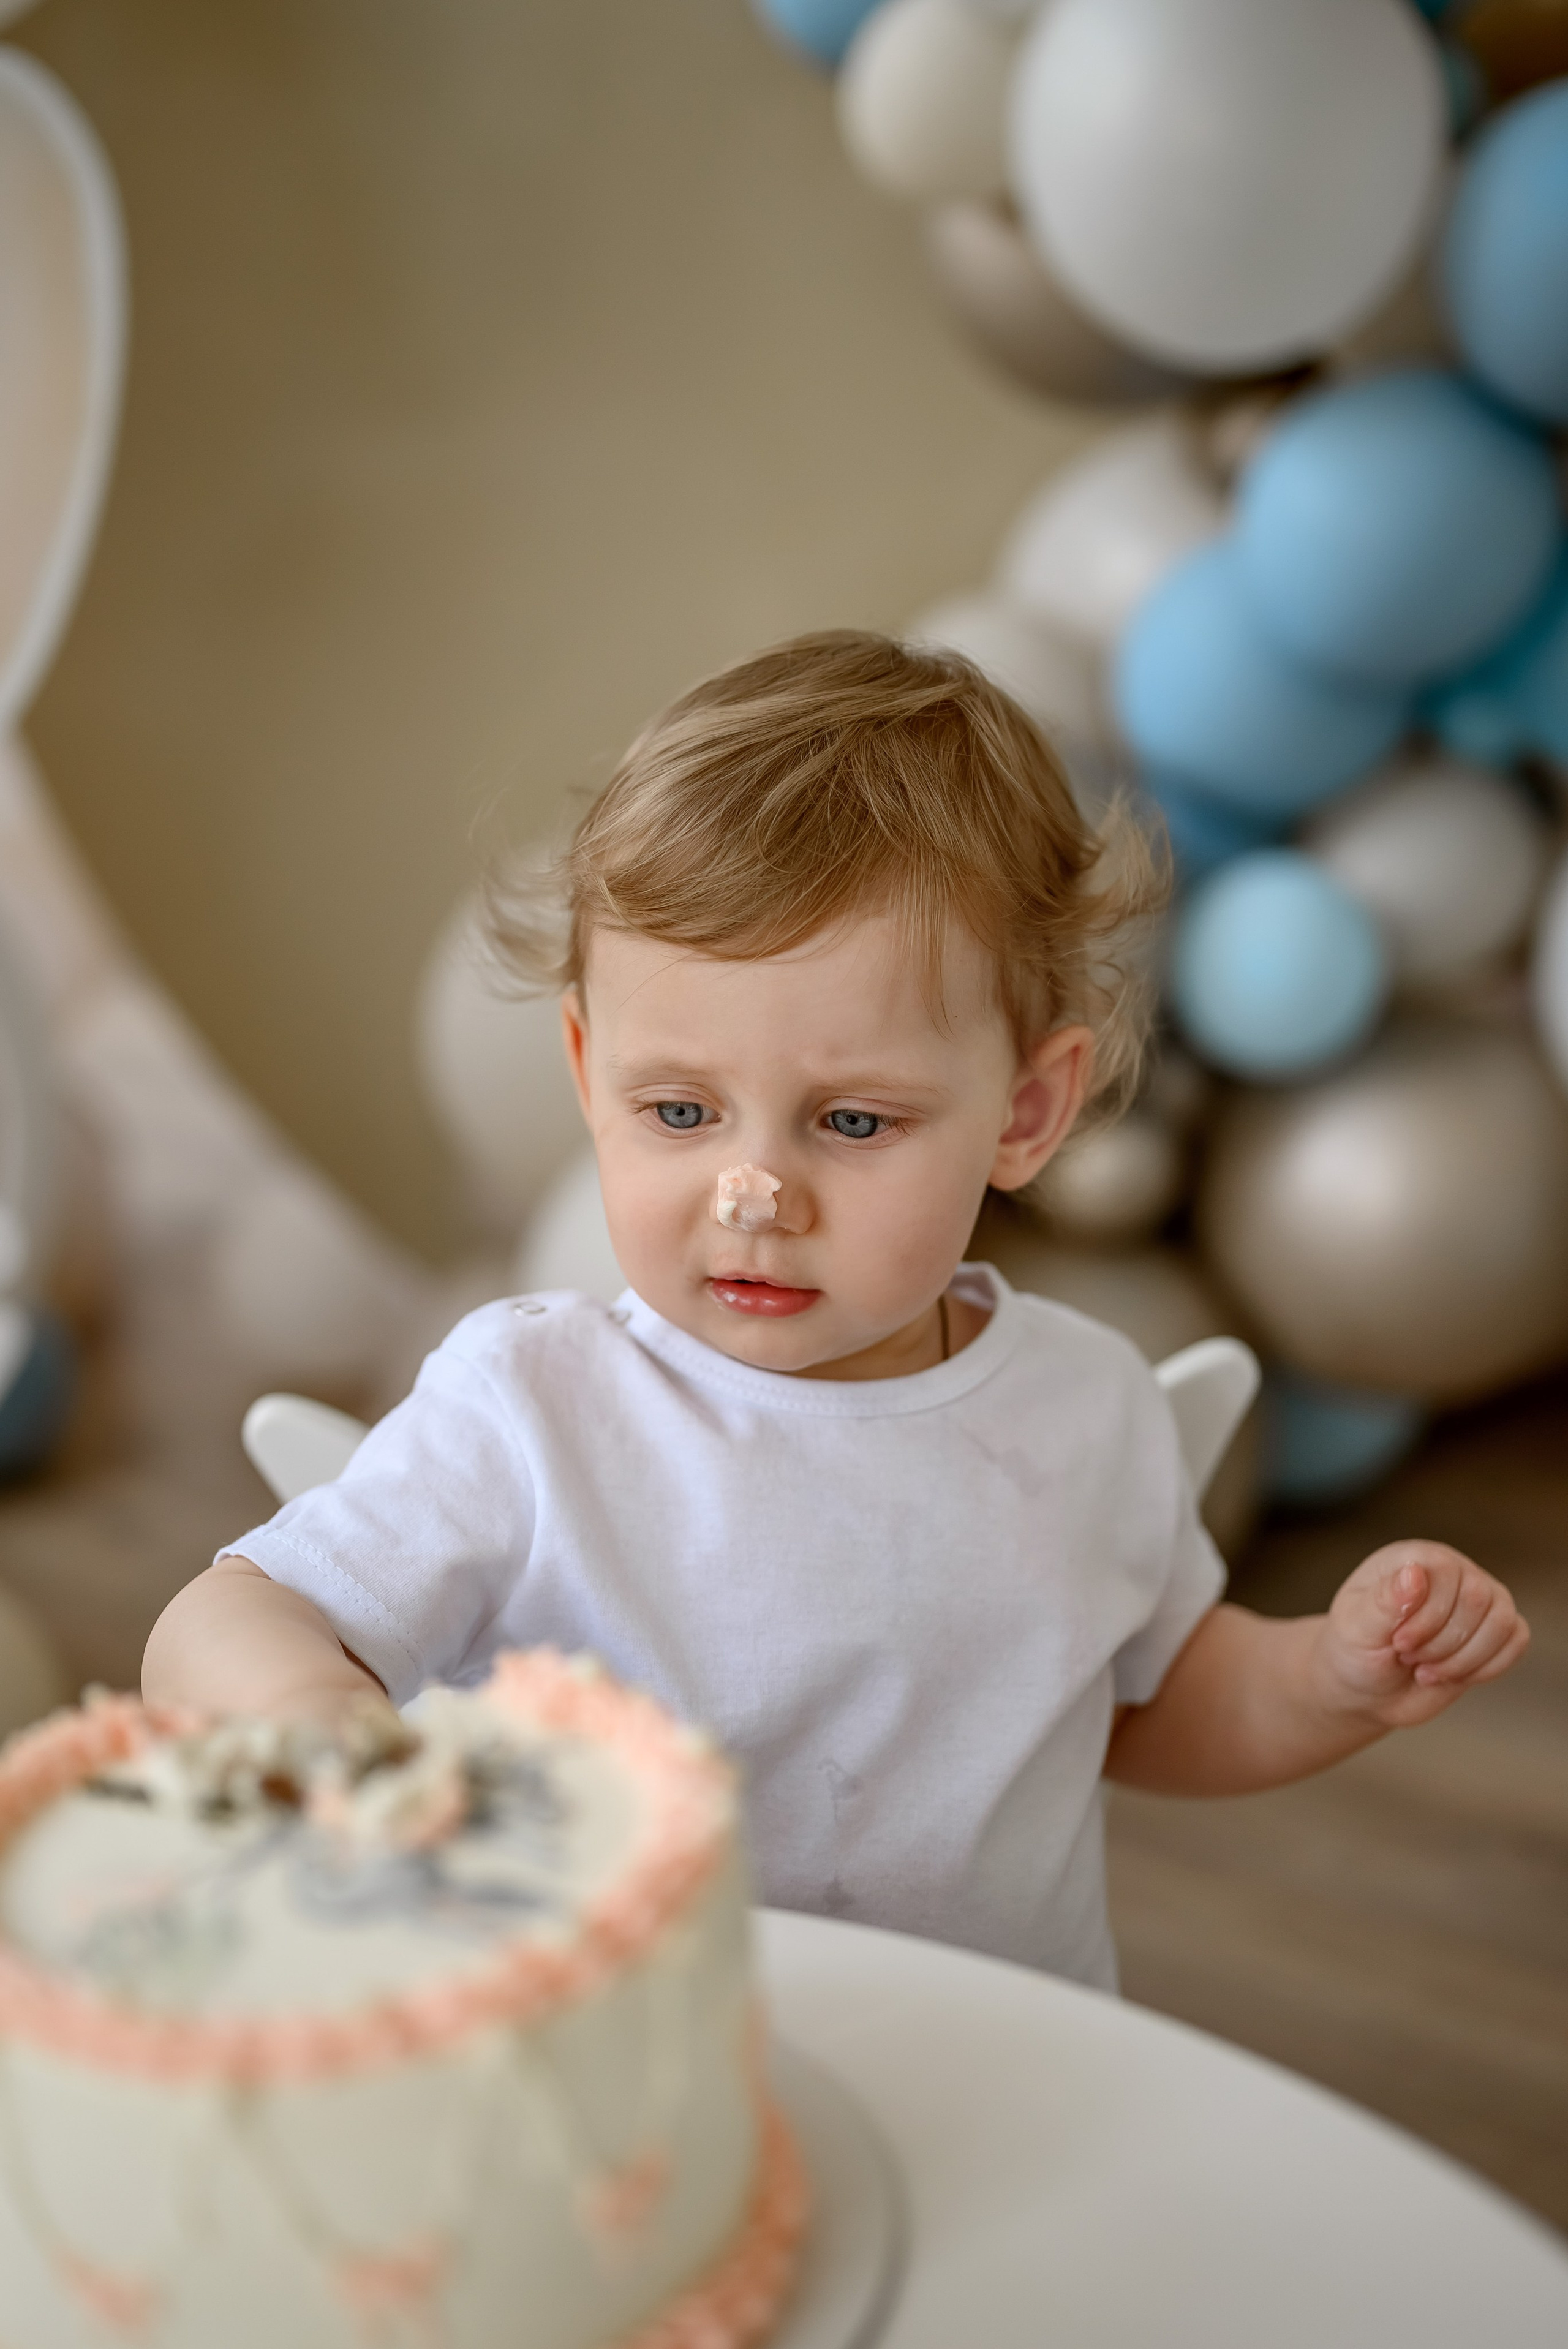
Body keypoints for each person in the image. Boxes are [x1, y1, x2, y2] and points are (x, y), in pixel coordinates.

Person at [144, 632, 1528, 1989]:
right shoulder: (532, 1407)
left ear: (1028, 1110)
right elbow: (224, 1622)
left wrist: (1330, 1679)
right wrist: (318, 1725)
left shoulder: (1083, 1406)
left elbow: (1149, 1703)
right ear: (585, 1067)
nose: (753, 1192)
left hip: (1002, 2068)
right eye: (679, 1109)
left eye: (851, 1120)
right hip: (624, 2063)